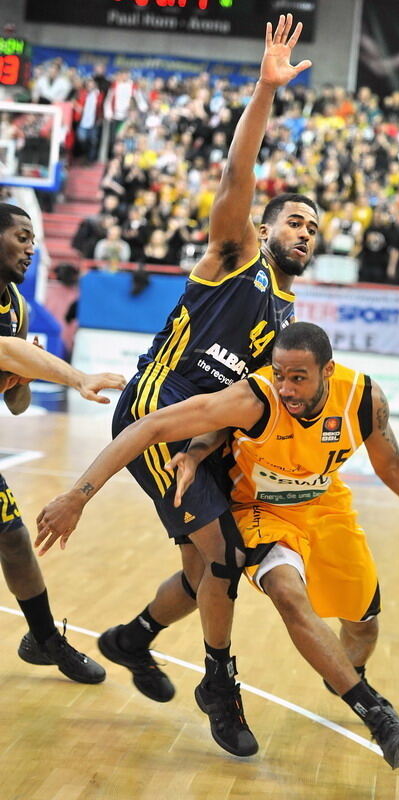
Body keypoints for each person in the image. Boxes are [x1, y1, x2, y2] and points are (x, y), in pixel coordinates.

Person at [36, 16, 315, 759]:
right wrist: (263, 90)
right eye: (295, 218)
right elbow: (237, 172)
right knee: (221, 553)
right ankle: (219, 680)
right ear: (267, 222)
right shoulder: (236, 250)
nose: (305, 231)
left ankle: (134, 637)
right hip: (154, 410)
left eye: (315, 229)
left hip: (200, 429)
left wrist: (212, 443)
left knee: (201, 572)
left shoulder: (288, 317)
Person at [36, 321, 399, 770]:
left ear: (328, 370)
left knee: (363, 625)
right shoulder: (255, 398)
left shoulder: (364, 398)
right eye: (279, 374)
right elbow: (152, 425)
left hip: (326, 504)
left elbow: (395, 467)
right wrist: (78, 494)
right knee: (286, 595)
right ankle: (377, 715)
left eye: (298, 378)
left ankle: (140, 638)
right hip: (259, 510)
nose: (286, 388)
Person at [0, 201, 127, 683]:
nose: (32, 249)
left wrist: (20, 378)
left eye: (35, 239)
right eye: (22, 237)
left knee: (13, 539)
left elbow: (16, 404)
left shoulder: (19, 307)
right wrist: (76, 378)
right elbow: (6, 350)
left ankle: (44, 640)